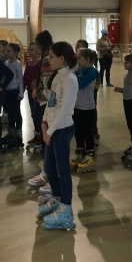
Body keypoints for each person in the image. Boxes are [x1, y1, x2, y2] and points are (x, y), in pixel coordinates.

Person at [37, 41, 78, 230]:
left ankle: (66, 210)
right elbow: (51, 103)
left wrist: (50, 131)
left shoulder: (70, 79)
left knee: (63, 171)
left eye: (52, 57)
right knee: (48, 167)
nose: (48, 59)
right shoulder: (57, 76)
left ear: (62, 59)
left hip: (62, 130)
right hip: (51, 130)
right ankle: (57, 198)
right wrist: (44, 124)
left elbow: (65, 110)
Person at [27, 30, 54, 194]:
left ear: (39, 46)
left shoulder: (47, 61)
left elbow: (49, 88)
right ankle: (47, 170)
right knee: (47, 140)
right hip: (48, 106)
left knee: (49, 140)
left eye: (36, 46)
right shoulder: (50, 58)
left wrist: (37, 93)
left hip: (49, 106)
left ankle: (51, 175)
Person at [70, 48, 99, 174]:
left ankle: (90, 154)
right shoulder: (80, 70)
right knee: (78, 130)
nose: (77, 61)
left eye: (79, 58)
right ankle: (80, 150)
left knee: (87, 131)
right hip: (77, 106)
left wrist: (73, 76)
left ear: (87, 59)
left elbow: (78, 84)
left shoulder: (92, 72)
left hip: (87, 108)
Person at [0, 42, 24, 149]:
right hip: (7, 92)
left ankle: (18, 135)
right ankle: (11, 132)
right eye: (6, 50)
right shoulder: (6, 63)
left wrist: (21, 93)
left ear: (16, 52)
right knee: (9, 113)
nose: (7, 53)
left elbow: (20, 79)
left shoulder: (17, 64)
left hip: (14, 91)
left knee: (16, 112)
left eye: (9, 51)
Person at [23, 41, 41, 150]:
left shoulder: (40, 63)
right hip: (30, 92)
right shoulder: (29, 63)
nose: (29, 52)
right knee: (33, 114)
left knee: (38, 113)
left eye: (32, 50)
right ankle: (37, 133)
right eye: (29, 50)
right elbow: (25, 77)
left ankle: (40, 134)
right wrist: (23, 88)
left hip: (37, 92)